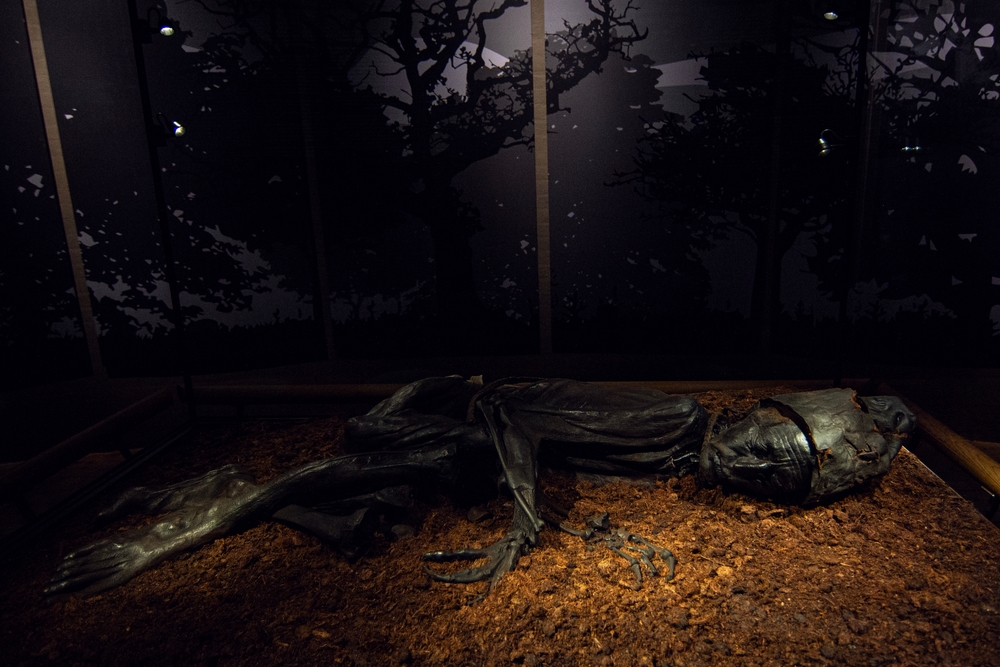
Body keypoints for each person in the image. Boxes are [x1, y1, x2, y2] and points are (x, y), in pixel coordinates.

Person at [45, 376, 914, 597]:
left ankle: (239, 486)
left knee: (359, 512)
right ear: (757, 418)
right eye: (770, 451)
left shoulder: (683, 455)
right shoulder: (675, 417)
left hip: (475, 456)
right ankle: (157, 542)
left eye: (776, 482)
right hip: (474, 444)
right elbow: (516, 417)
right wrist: (525, 524)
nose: (756, 475)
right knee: (336, 470)